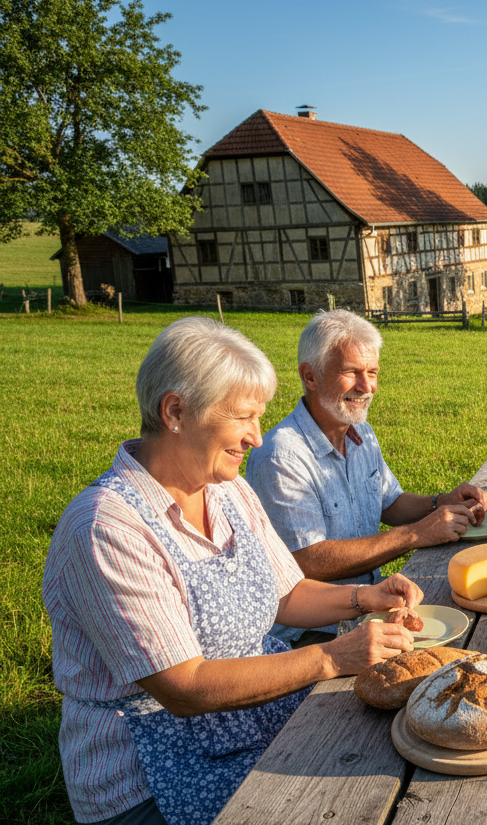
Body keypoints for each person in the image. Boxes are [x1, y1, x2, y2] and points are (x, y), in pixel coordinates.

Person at [44, 317, 422, 825]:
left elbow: (286, 596)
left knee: (392, 753)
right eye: (244, 418)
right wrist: (332, 657)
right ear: (175, 410)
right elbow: (186, 687)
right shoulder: (106, 526)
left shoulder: (228, 490)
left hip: (253, 716)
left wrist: (364, 601)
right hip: (154, 770)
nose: (257, 438)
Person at [246, 310, 487, 646]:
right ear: (310, 376)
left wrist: (439, 502)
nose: (366, 386)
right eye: (351, 372)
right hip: (313, 633)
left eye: (372, 372)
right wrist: (417, 534)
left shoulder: (359, 432)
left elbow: (389, 503)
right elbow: (305, 561)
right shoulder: (281, 454)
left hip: (370, 607)